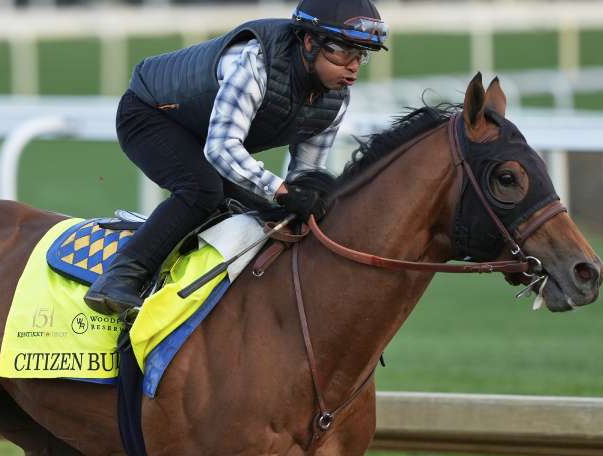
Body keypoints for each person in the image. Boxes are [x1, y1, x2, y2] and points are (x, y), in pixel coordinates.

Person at [83, 0, 389, 316]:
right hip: (150, 113)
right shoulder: (255, 62)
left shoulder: (336, 100)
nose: (352, 66)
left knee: (267, 211)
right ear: (309, 42)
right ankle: (120, 278)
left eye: (361, 55)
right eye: (343, 51)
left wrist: (305, 200)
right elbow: (221, 149)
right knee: (202, 190)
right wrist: (284, 192)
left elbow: (306, 170)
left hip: (204, 133)